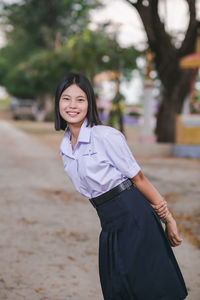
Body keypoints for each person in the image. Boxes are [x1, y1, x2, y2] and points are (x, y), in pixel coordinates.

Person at [54, 72, 188, 300]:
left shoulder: (105, 136)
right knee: (117, 288)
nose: (72, 105)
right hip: (109, 222)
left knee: (147, 288)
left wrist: (168, 218)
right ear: (58, 102)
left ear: (90, 103)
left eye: (80, 99)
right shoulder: (66, 146)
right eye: (66, 99)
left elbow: (139, 179)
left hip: (135, 218)